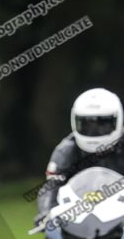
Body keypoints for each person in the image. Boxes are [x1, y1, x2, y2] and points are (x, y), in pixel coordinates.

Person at [36, 87, 124, 221]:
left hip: (119, 219)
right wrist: (47, 213)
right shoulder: (66, 150)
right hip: (78, 222)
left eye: (102, 123)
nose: (94, 130)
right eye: (87, 124)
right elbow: (51, 187)